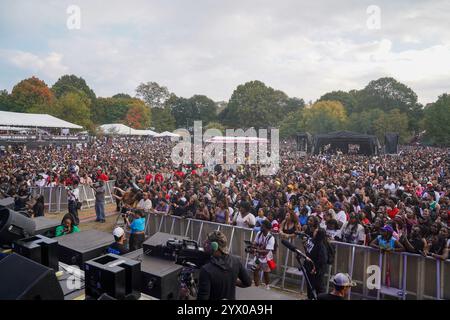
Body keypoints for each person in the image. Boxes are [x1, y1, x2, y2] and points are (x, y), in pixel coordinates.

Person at [197, 231, 252, 300]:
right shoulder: (236, 261)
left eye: (207, 243)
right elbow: (248, 282)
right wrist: (231, 280)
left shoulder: (206, 270)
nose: (204, 244)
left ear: (214, 246)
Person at [304, 228, 328, 300]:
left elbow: (322, 260)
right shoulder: (312, 241)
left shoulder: (321, 246)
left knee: (319, 288)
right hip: (309, 268)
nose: (314, 231)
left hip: (317, 271)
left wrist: (315, 268)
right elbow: (308, 252)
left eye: (316, 231)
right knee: (309, 286)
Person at [252, 219, 276, 289]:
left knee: (266, 272)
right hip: (258, 256)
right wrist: (252, 245)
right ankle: (256, 285)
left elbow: (266, 251)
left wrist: (256, 250)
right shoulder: (259, 233)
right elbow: (255, 243)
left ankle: (267, 285)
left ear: (267, 228)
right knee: (255, 269)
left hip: (267, 257)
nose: (261, 227)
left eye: (263, 226)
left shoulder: (271, 238)